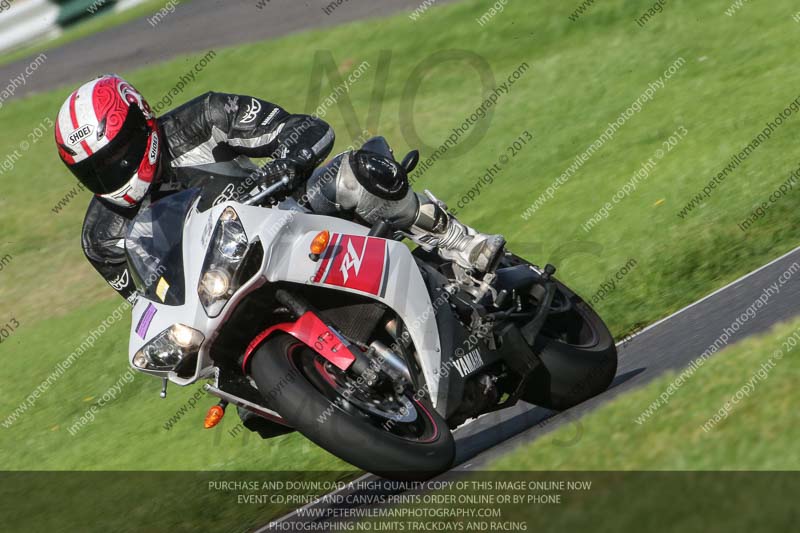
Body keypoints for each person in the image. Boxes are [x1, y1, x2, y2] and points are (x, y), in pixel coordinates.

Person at [55, 75, 505, 299]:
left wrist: (283, 166)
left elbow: (308, 129)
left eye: (118, 153)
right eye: (96, 170)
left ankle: (457, 242)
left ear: (142, 120)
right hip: (224, 291)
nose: (114, 171)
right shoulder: (102, 238)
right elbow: (146, 306)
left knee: (351, 173)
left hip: (292, 218)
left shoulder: (206, 117)